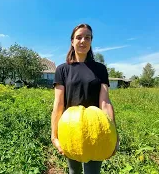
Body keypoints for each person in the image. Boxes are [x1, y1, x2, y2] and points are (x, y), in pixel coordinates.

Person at [51, 23, 119, 174]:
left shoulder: (100, 69)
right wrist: (54, 135)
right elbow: (58, 104)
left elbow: (105, 102)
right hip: (70, 129)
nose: (83, 41)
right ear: (72, 41)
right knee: (73, 171)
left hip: (97, 130)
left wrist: (115, 134)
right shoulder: (62, 69)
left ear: (91, 41)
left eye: (87, 38)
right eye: (79, 37)